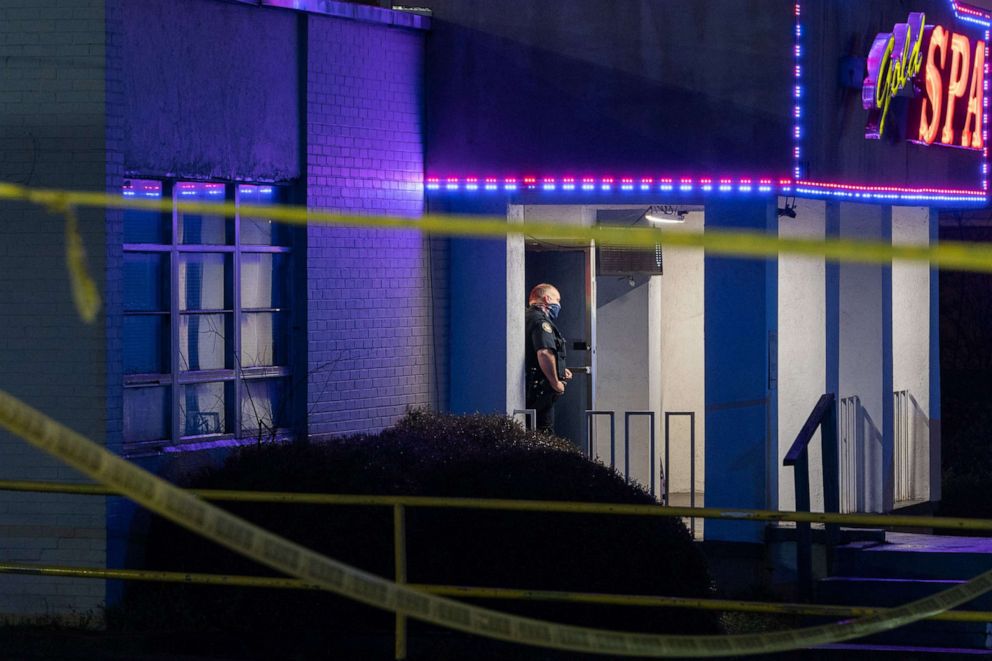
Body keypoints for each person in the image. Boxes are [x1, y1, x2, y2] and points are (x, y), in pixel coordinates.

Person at [525, 283, 572, 432]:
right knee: (543, 435)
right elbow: (544, 353)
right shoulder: (541, 322)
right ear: (547, 298)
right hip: (540, 393)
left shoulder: (526, 317)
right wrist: (555, 382)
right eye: (557, 300)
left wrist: (560, 369)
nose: (558, 305)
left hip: (530, 392)